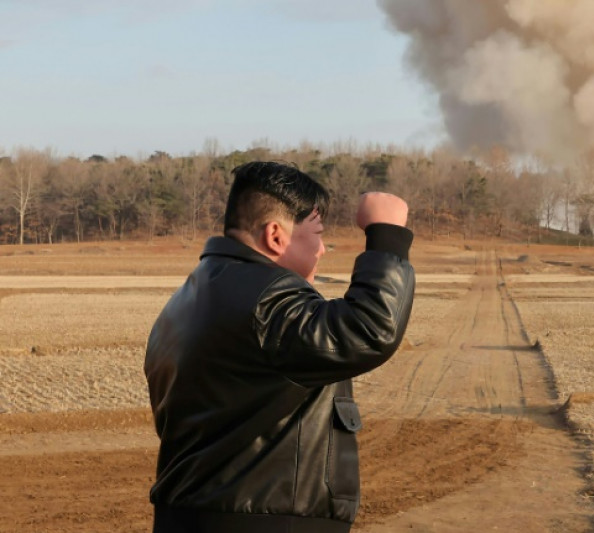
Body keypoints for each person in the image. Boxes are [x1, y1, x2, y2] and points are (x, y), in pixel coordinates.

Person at [144, 161, 415, 533]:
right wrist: (387, 236)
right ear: (275, 235)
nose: (322, 249)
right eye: (316, 233)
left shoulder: (185, 300)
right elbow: (366, 330)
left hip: (190, 515)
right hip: (262, 520)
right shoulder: (266, 297)